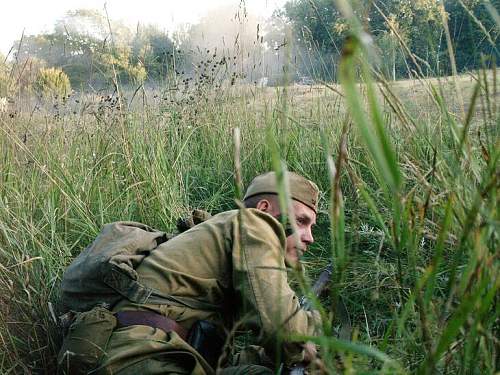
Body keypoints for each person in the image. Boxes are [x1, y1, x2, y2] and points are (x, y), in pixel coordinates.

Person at [78, 171, 322, 375]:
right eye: (301, 221)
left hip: (158, 354)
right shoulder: (256, 223)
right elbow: (285, 331)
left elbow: (219, 360)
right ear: (264, 209)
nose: (309, 237)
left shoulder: (223, 249)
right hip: (143, 356)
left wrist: (273, 355)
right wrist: (311, 334)